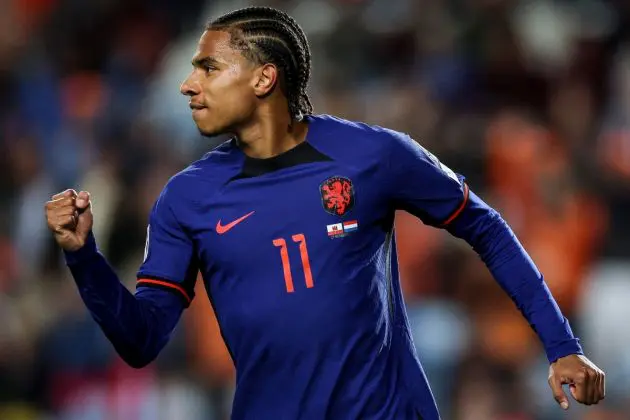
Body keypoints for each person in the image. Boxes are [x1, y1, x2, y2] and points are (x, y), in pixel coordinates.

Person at [44, 6, 605, 420]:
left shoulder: (375, 155)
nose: (188, 85)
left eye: (209, 68)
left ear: (265, 78)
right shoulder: (186, 198)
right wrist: (83, 258)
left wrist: (562, 346)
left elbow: (484, 225)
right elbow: (140, 342)